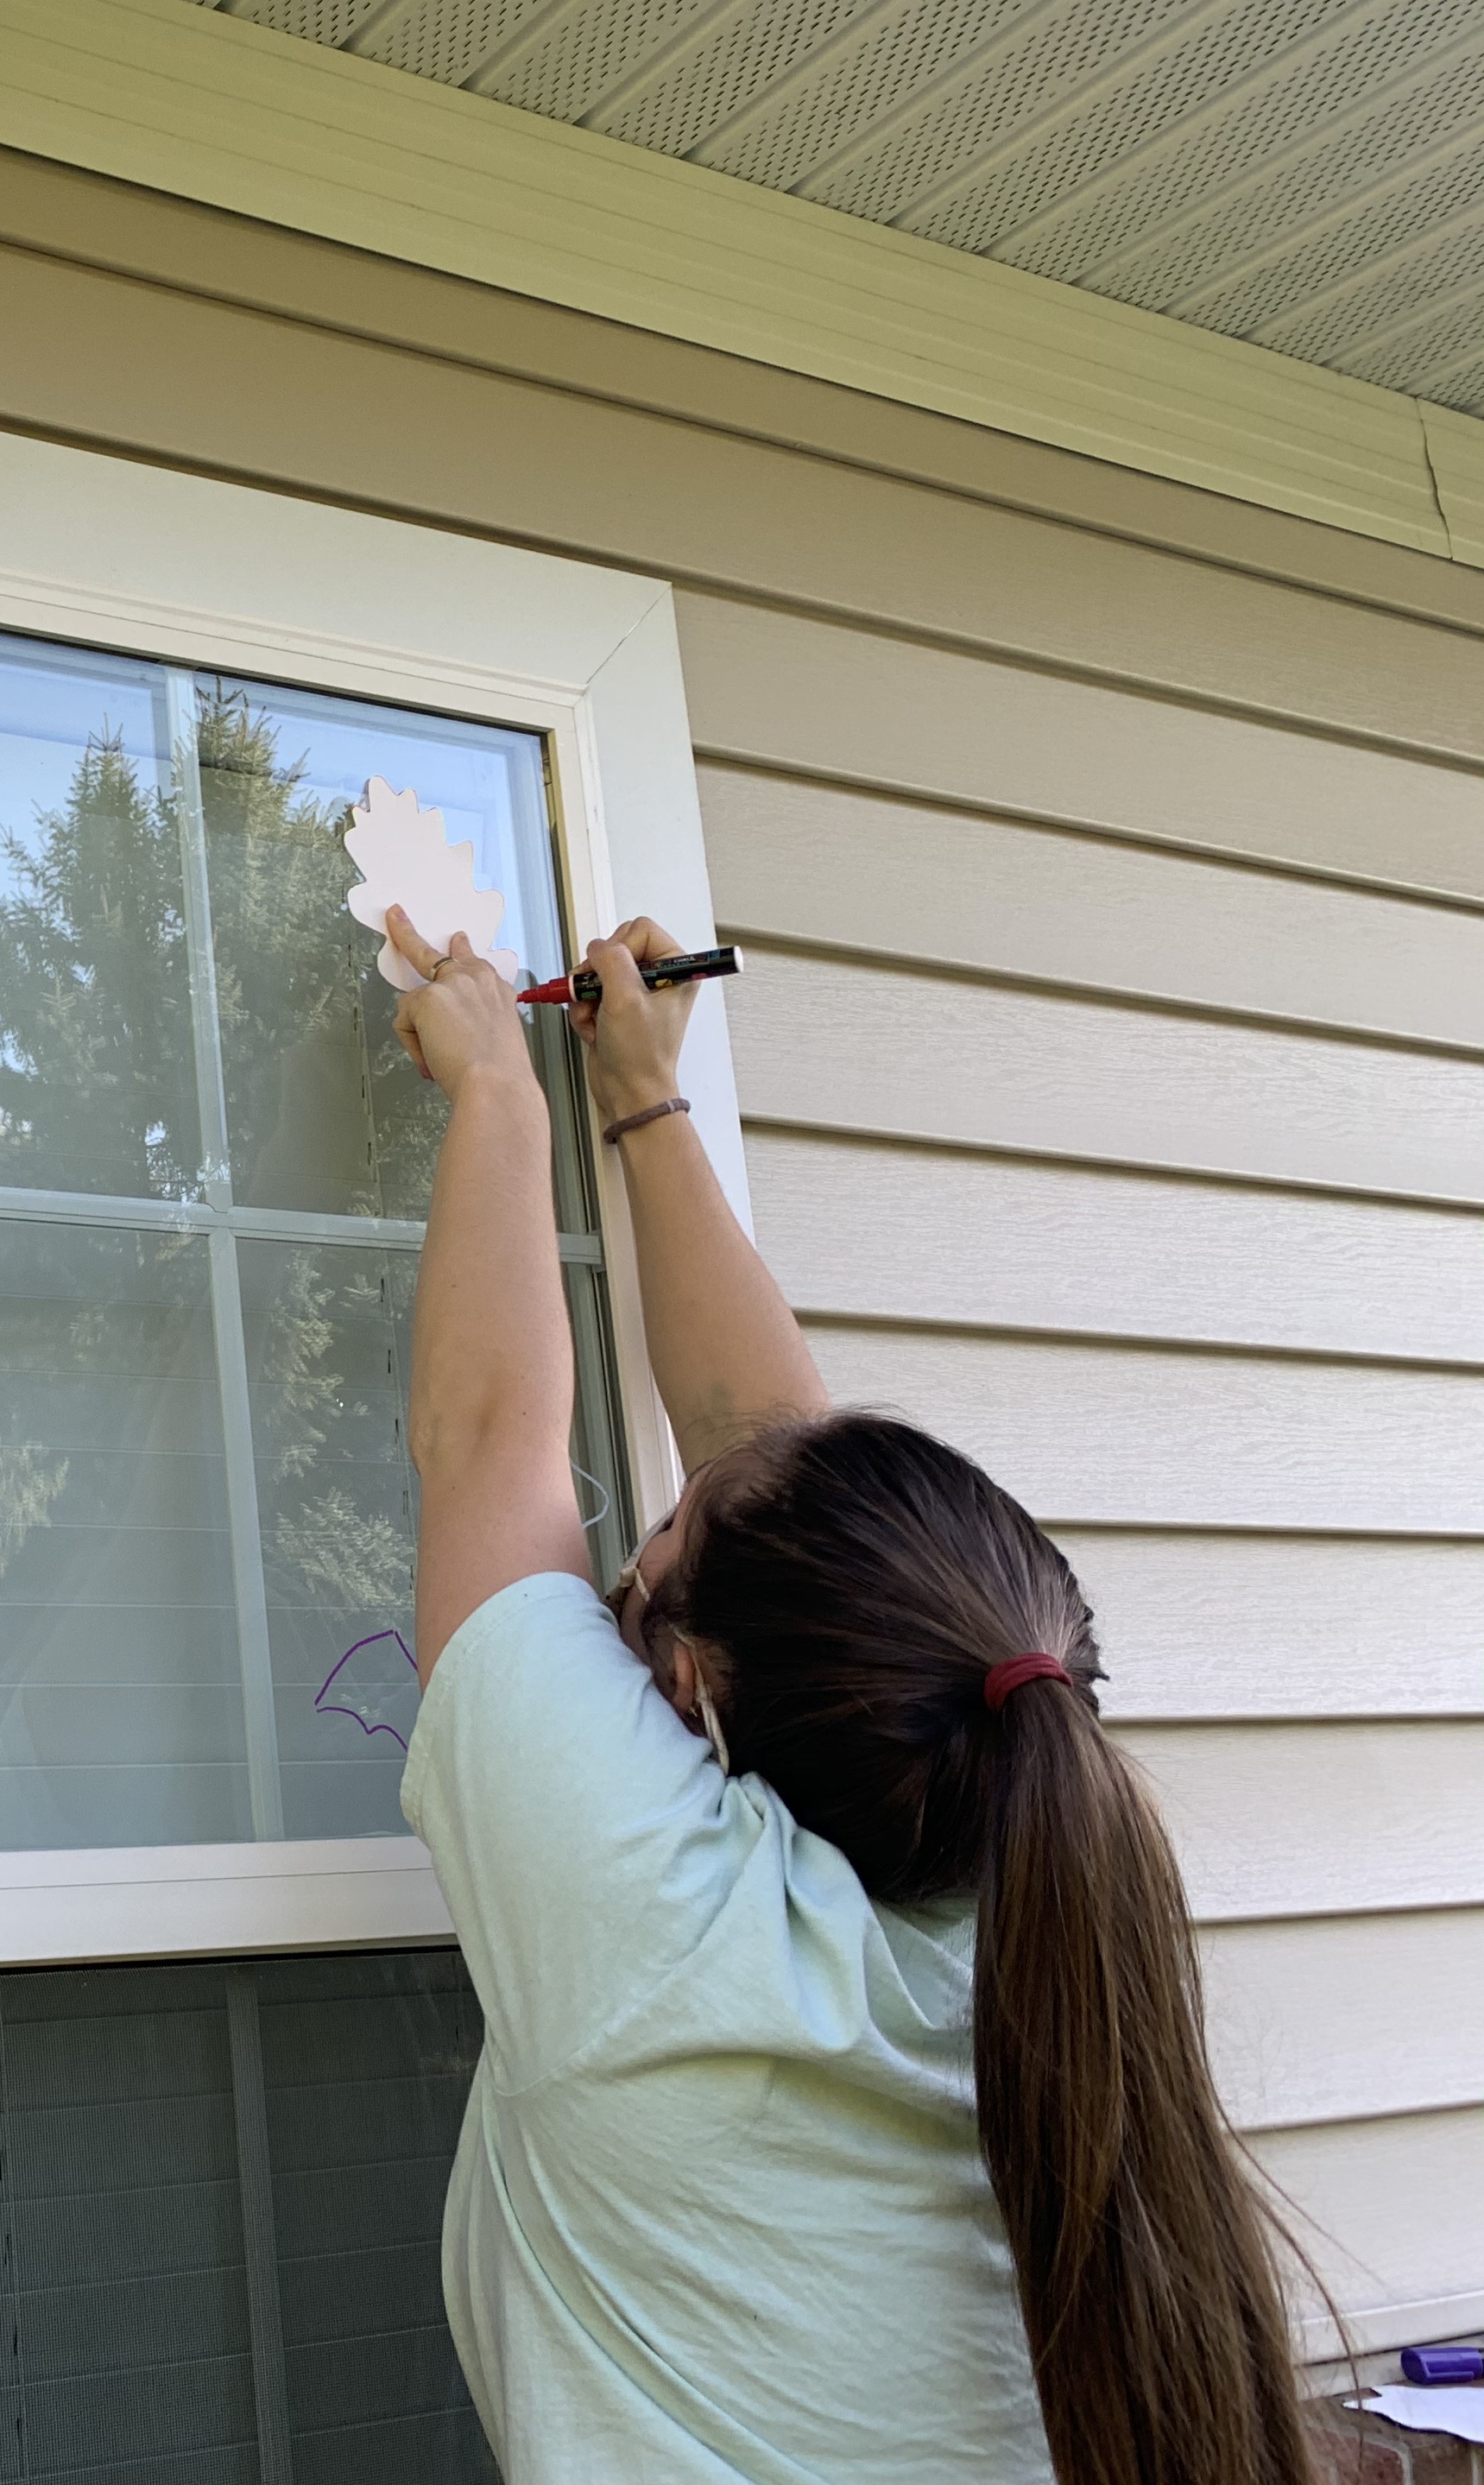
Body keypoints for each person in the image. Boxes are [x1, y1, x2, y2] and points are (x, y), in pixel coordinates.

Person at [377, 901, 1316, 2485]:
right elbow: (781, 1468)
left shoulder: (654, 1917)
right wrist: (647, 1109)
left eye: (660, 1531)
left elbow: (491, 1443)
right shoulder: (1024, 1870)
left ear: (692, 1693)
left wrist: (497, 1093)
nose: (653, 1515)